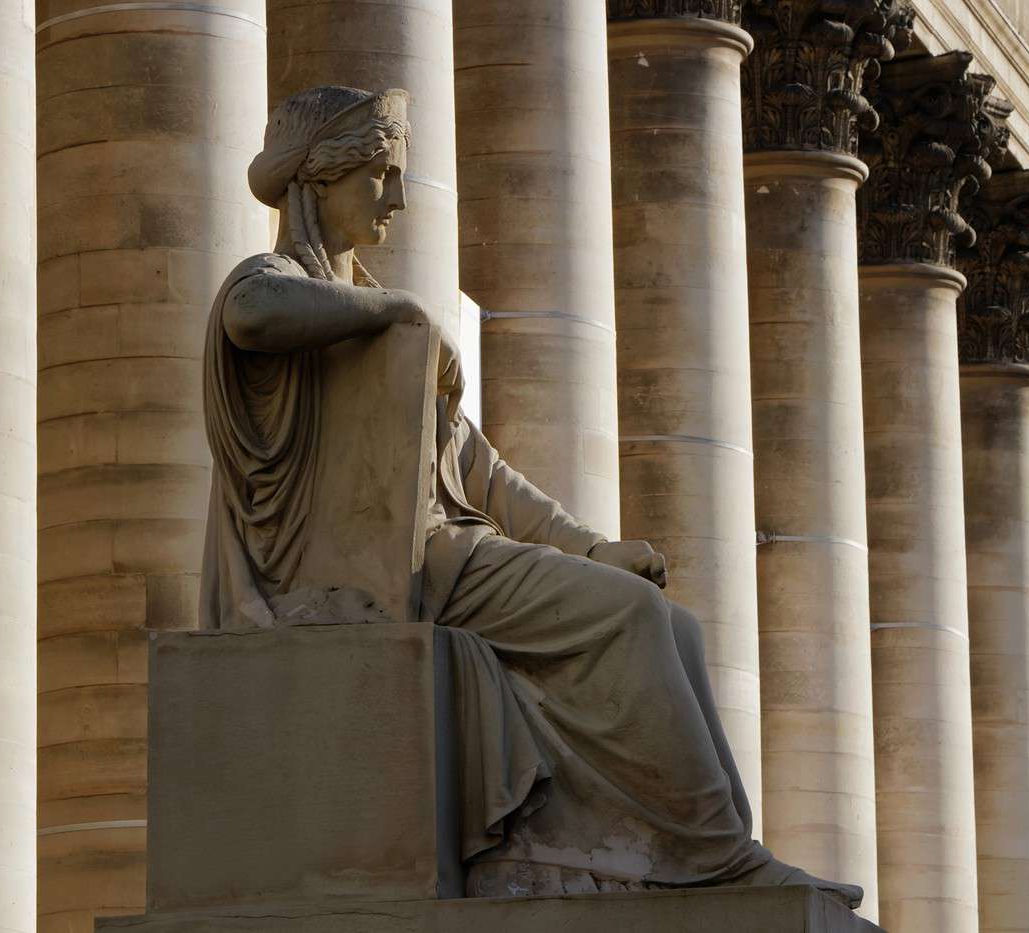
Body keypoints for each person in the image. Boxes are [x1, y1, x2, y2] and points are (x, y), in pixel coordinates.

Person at [200, 84, 862, 904]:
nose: (398, 198)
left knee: (674, 626)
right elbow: (248, 313)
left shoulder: (376, 324)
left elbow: (480, 470)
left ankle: (710, 853)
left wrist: (589, 547)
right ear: (320, 182)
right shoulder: (285, 283)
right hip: (383, 561)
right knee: (632, 619)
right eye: (381, 176)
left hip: (448, 545)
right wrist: (396, 309)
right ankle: (714, 854)